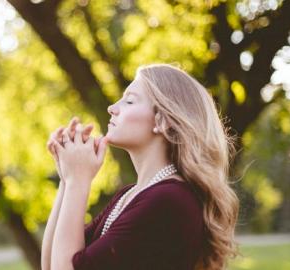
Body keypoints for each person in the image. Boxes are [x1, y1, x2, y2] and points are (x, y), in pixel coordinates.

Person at [42, 63, 239, 270]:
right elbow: (49, 264)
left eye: (129, 101)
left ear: (163, 121)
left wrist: (77, 180)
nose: (112, 108)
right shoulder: (130, 195)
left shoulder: (169, 200)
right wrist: (67, 178)